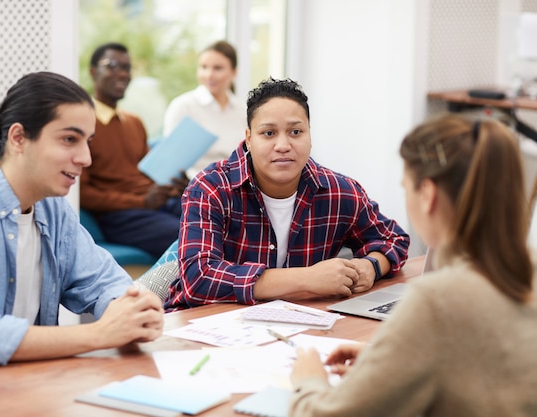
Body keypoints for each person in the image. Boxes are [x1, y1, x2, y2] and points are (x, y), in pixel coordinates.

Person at [290, 114, 537, 416]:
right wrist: (401, 359)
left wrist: (308, 381)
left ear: (428, 195)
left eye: (406, 187)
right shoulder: (525, 270)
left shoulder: (435, 300)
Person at [0, 72, 164, 366]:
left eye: (87, 142)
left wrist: (132, 310)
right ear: (18, 138)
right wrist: (102, 334)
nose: (85, 158)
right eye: (69, 139)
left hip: (23, 387)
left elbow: (103, 282)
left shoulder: (54, 213)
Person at [164, 78, 410, 311]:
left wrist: (371, 266)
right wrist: (307, 279)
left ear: (310, 135)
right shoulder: (211, 188)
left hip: (295, 329)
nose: (283, 145)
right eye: (268, 133)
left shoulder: (338, 191)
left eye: (295, 132)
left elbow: (394, 240)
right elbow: (199, 279)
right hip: (204, 328)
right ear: (248, 138)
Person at [80, 42, 188, 258]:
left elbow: (148, 174)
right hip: (121, 215)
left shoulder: (134, 122)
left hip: (157, 205)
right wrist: (142, 201)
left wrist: (175, 185)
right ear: (93, 72)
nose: (122, 73)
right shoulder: (83, 122)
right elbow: (82, 194)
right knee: (189, 235)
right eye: (112, 65)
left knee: (215, 218)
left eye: (127, 68)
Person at [162, 40, 246, 178]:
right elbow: (171, 159)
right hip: (195, 186)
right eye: (203, 67)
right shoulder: (183, 106)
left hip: (236, 185)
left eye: (217, 68)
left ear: (234, 73)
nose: (209, 75)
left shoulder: (243, 110)